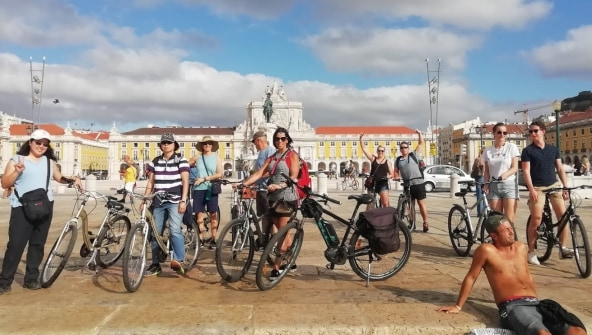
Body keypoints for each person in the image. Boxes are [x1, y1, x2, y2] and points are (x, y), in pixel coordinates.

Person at [437, 213, 587, 335]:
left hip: (537, 303)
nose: (511, 232)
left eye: (511, 228)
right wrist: (458, 306)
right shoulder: (486, 250)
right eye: (505, 230)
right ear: (494, 236)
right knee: (541, 333)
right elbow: (471, 277)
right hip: (512, 307)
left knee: (577, 331)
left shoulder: (521, 247)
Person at [0, 129, 84, 294]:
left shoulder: (49, 162)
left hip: (45, 206)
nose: (41, 146)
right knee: (16, 245)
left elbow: (59, 178)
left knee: (37, 245)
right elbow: (4, 183)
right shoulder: (17, 160)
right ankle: (4, 281)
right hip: (21, 208)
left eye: (45, 144)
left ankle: (31, 279)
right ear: (30, 142)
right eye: (38, 143)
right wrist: (17, 171)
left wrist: (73, 179)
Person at [239, 127, 300, 279]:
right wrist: (244, 183)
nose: (280, 141)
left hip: (287, 197)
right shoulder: (272, 157)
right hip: (273, 197)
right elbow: (260, 173)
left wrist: (280, 185)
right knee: (276, 229)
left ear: (287, 140)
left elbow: (293, 177)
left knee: (281, 232)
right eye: (277, 139)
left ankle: (277, 267)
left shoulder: (292, 155)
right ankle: (290, 258)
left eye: (283, 138)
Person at [521, 121, 572, 265]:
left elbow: (560, 169)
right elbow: (525, 171)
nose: (532, 134)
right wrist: (531, 190)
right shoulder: (528, 151)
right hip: (537, 187)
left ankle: (563, 247)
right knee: (536, 218)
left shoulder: (553, 149)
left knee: (563, 216)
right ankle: (531, 252)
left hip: (553, 184)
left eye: (535, 131)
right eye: (530, 132)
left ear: (543, 131)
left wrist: (565, 187)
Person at [144, 133, 190, 276]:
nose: (166, 145)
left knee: (175, 229)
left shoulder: (181, 160)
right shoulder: (155, 161)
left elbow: (185, 182)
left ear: (174, 145)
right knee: (155, 233)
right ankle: (156, 263)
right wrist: (145, 198)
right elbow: (151, 182)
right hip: (158, 201)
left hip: (175, 200)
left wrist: (183, 200)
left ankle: (179, 260)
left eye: (168, 143)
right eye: (163, 142)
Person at [481, 122, 520, 225]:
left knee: (509, 218)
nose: (502, 135)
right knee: (496, 219)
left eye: (505, 132)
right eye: (499, 132)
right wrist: (485, 184)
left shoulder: (511, 147)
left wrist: (505, 175)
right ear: (493, 134)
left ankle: (510, 240)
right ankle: (498, 240)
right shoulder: (487, 151)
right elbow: (487, 171)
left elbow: (515, 167)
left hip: (509, 185)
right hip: (493, 186)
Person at [189, 135, 222, 249]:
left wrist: (204, 179)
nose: (207, 145)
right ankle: (201, 239)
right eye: (205, 143)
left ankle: (213, 239)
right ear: (202, 146)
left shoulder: (217, 157)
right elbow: (184, 166)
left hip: (211, 188)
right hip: (198, 189)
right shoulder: (197, 158)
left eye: (209, 143)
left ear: (212, 145)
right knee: (199, 216)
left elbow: (219, 174)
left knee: (213, 214)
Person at [393, 129, 429, 232]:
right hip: (407, 185)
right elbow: (396, 171)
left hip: (418, 183)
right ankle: (412, 222)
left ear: (408, 148)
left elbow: (421, 143)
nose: (404, 149)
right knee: (410, 205)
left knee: (421, 203)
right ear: (400, 149)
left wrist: (419, 134)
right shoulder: (398, 160)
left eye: (405, 147)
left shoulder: (413, 155)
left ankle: (425, 222)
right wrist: (395, 176)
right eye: (402, 148)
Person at [250, 131, 276, 234]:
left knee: (271, 216)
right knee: (263, 215)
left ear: (258, 140)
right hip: (260, 189)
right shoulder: (261, 152)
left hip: (267, 189)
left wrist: (255, 178)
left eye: (254, 142)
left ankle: (274, 241)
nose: (254, 145)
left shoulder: (270, 151)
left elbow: (271, 171)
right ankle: (264, 237)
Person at [360, 132, 394, 209]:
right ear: (377, 151)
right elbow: (364, 149)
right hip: (373, 183)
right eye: (379, 150)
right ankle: (368, 219)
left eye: (382, 151)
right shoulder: (373, 159)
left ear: (384, 152)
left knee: (385, 204)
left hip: (383, 184)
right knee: (370, 204)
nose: (380, 152)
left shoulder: (387, 162)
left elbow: (392, 174)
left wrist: (388, 176)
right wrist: (361, 139)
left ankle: (385, 219)